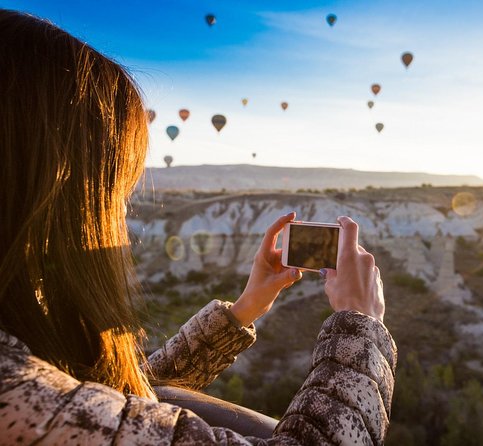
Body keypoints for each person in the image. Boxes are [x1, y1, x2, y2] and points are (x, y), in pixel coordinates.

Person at [0, 9, 396, 445]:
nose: (122, 217)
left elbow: (115, 406)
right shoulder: (16, 393)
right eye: (115, 190)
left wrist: (244, 309)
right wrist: (359, 326)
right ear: (46, 190)